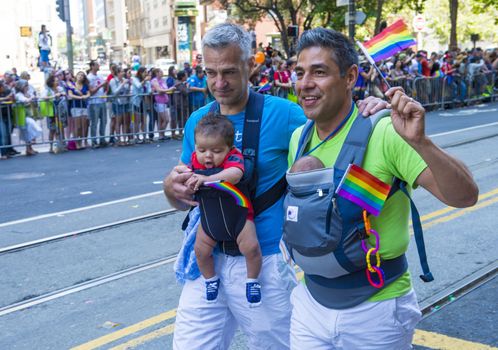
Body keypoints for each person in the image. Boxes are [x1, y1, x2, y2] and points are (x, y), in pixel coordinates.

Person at [164, 22, 389, 349]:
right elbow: (183, 197)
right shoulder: (198, 122)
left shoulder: (285, 115)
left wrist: (370, 108)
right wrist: (172, 190)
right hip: (207, 262)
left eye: (228, 71)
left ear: (250, 66)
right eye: (210, 72)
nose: (218, 83)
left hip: (264, 262)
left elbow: (336, 130)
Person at [286, 27, 478, 349]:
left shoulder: (386, 132)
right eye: (300, 73)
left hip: (376, 309)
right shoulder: (299, 139)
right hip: (310, 304)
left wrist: (421, 142)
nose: (306, 83)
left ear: (350, 77)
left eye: (319, 72)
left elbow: (465, 196)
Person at [187, 113, 263, 306]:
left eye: (216, 150)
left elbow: (235, 174)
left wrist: (205, 179)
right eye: (202, 149)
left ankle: (252, 280)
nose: (208, 156)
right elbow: (185, 174)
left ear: (229, 148)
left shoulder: (234, 158)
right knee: (200, 250)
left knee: (252, 248)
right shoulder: (195, 160)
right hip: (210, 220)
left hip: (238, 217)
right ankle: (210, 279)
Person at [87, 60, 108, 148]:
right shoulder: (89, 77)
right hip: (94, 102)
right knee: (94, 122)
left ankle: (102, 139)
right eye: (96, 64)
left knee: (104, 121)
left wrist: (106, 88)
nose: (99, 65)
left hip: (102, 101)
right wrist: (100, 85)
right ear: (92, 66)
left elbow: (105, 86)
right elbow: (91, 91)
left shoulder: (100, 76)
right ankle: (94, 141)